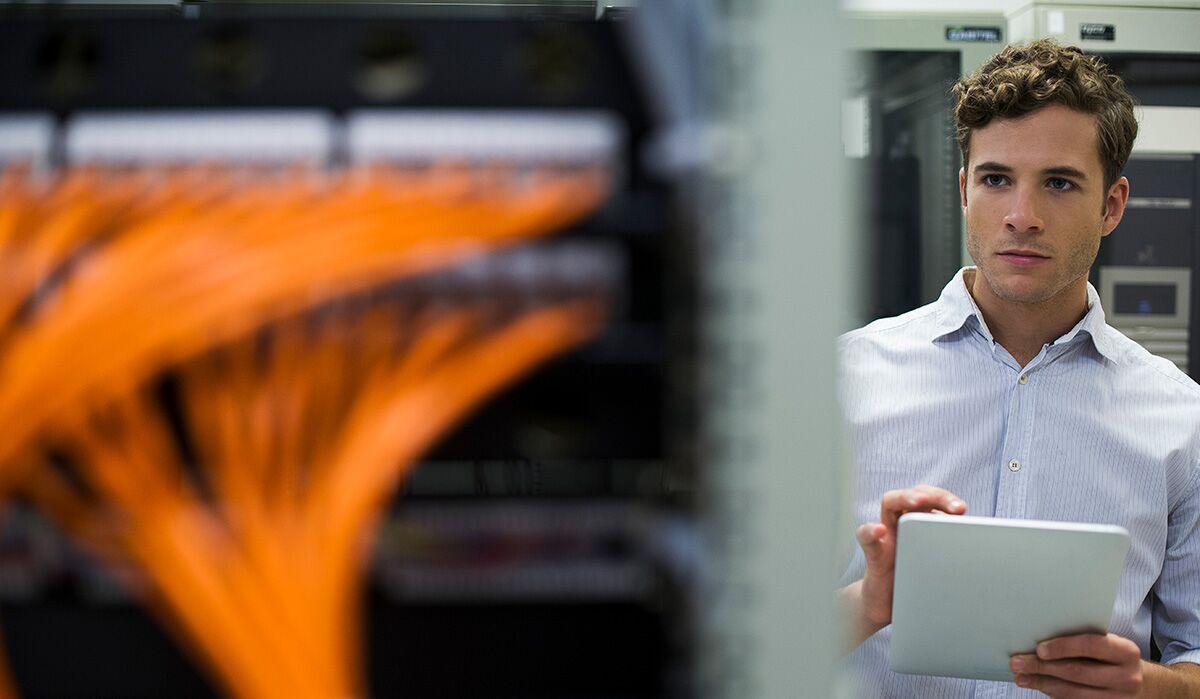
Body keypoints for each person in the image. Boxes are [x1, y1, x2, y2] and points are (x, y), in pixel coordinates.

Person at [837, 39, 1200, 697]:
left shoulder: (1183, 419)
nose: (1021, 217)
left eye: (1059, 183)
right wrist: (869, 600)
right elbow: (742, 641)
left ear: (1112, 205)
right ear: (964, 190)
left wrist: (1149, 687)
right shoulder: (842, 381)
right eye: (996, 178)